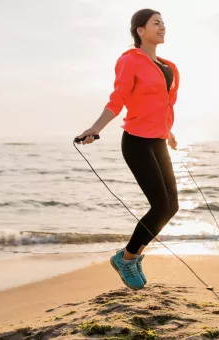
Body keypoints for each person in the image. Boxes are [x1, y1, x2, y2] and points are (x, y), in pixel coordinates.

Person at [76, 8, 180, 290]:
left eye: (163, 23)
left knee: (172, 206)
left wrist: (168, 133)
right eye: (156, 23)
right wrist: (96, 127)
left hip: (158, 141)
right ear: (140, 30)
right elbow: (118, 97)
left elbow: (163, 105)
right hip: (136, 142)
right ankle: (126, 258)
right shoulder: (129, 61)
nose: (162, 27)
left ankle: (132, 257)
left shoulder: (170, 67)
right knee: (159, 205)